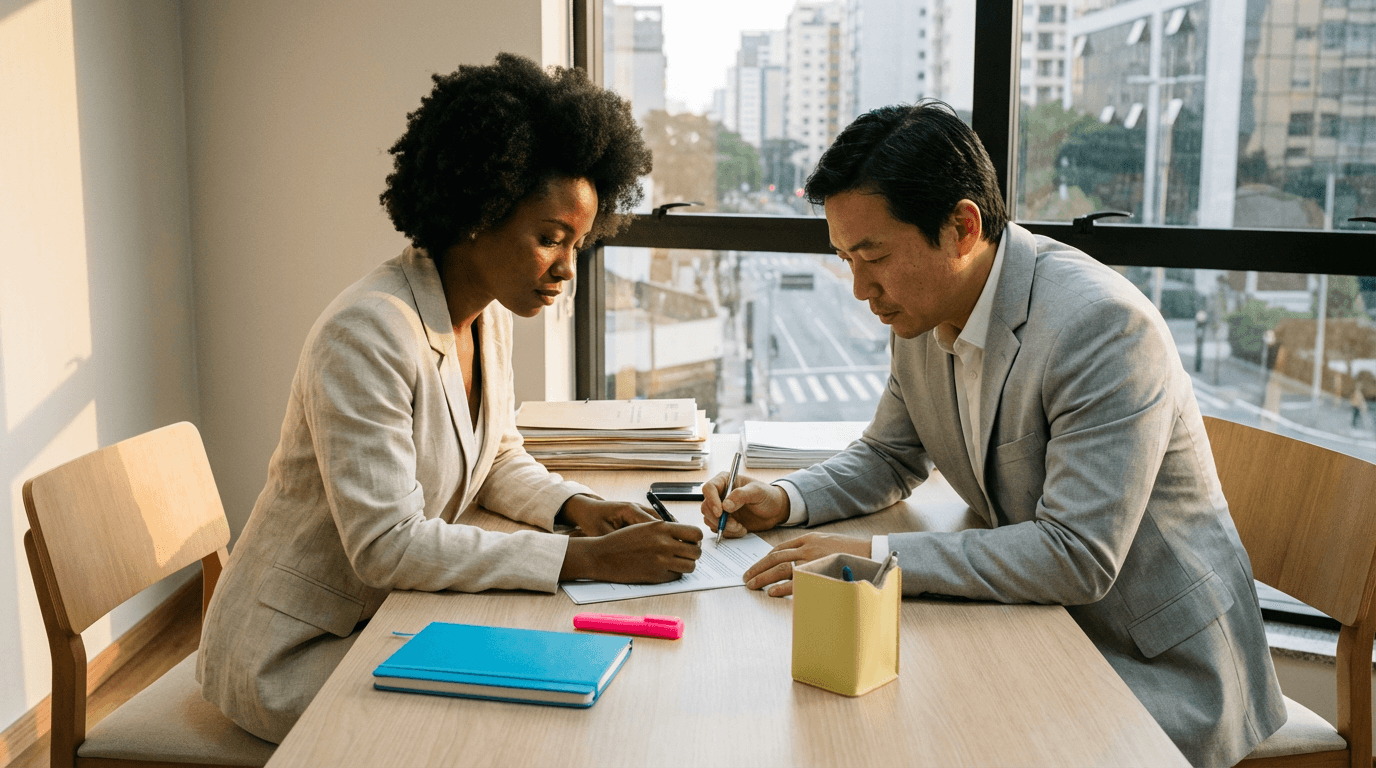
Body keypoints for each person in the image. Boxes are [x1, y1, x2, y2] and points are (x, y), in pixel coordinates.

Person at [701, 101, 1285, 767]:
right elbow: (890, 454)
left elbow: (1075, 555)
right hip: (1033, 626)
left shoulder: (1103, 329)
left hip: (1150, 665)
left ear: (962, 227)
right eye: (844, 258)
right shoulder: (922, 311)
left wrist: (875, 555)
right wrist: (781, 499)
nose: (860, 288)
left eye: (874, 256)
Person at [199, 54, 703, 743]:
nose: (565, 268)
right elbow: (386, 546)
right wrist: (584, 562)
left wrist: (577, 510)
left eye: (578, 244)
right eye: (550, 238)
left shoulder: (485, 311)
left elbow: (494, 457)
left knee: (566, 690)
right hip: (298, 654)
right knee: (502, 730)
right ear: (479, 212)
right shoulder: (366, 332)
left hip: (388, 619)